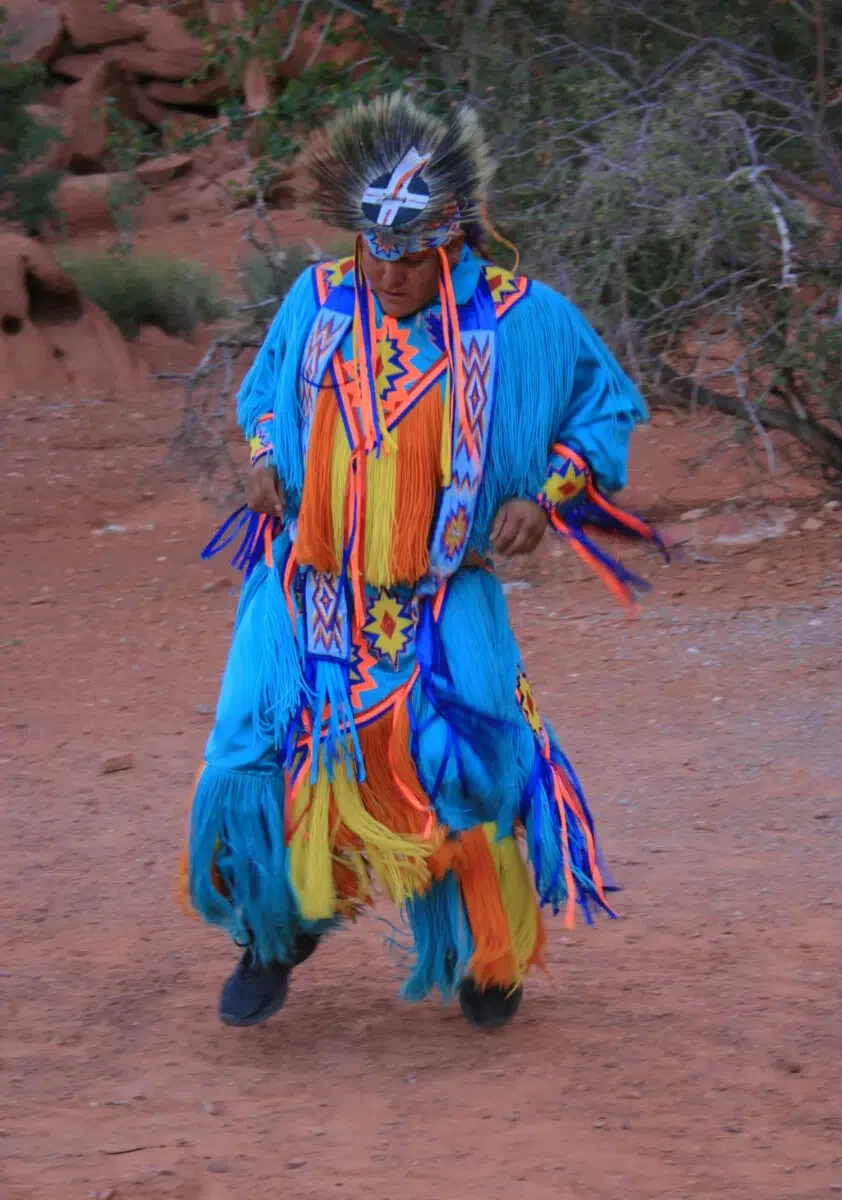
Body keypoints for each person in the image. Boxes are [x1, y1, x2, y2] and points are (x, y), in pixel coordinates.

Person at [180, 92, 663, 1030]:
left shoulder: (524, 320)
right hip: (304, 586)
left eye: (412, 258)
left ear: (455, 242)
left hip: (440, 594)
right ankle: (276, 931)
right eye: (377, 253)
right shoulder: (317, 300)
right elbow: (264, 402)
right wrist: (265, 462)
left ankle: (487, 951)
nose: (390, 274)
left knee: (474, 764)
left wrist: (547, 492)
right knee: (251, 751)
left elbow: (603, 407)